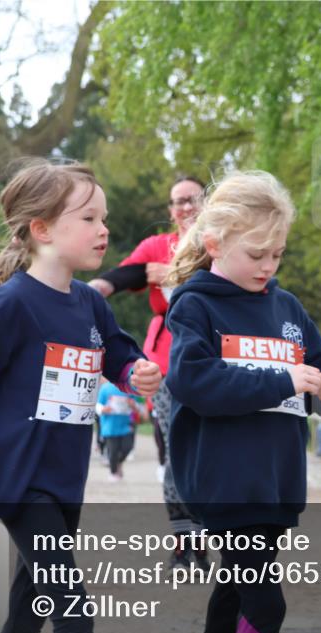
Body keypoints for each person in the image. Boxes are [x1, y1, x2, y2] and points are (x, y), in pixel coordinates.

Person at [0, 159, 162, 633]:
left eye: (104, 218)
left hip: (66, 478)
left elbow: (119, 357)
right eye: (88, 218)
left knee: (29, 605)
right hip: (20, 481)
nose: (103, 230)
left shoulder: (90, 302)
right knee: (72, 609)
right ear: (41, 229)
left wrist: (137, 374)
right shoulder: (9, 304)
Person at [163, 171, 321, 633]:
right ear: (214, 244)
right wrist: (281, 380)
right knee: (266, 602)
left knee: (234, 592)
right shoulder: (194, 306)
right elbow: (193, 381)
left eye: (278, 254)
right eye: (256, 255)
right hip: (225, 479)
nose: (268, 266)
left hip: (277, 479)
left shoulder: (286, 307)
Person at [89, 175, 205, 479]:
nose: (187, 207)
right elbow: (130, 273)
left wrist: (176, 275)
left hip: (213, 343)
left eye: (194, 199)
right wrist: (97, 288)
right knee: (168, 425)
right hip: (168, 346)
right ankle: (172, 479)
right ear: (171, 211)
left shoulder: (221, 245)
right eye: (179, 202)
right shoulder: (158, 245)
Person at [95, 378, 136, 481]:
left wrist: (133, 405)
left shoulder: (128, 388)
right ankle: (113, 473)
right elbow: (97, 405)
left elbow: (135, 405)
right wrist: (103, 409)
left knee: (128, 447)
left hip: (125, 425)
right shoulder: (105, 388)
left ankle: (118, 463)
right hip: (110, 427)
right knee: (113, 451)